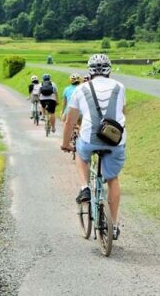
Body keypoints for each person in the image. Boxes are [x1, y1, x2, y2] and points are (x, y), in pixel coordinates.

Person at [61, 54, 126, 240]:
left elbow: (69, 121)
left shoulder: (80, 89)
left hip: (90, 139)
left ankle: (84, 187)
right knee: (112, 178)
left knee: (81, 154)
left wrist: (66, 144)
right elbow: (122, 112)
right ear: (109, 69)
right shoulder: (119, 87)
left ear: (89, 70)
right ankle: (113, 225)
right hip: (115, 140)